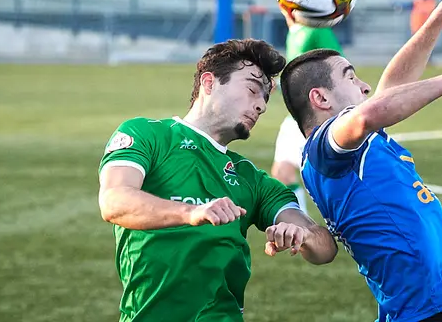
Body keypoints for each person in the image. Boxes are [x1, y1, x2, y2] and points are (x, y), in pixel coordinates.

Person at [279, 0, 442, 322]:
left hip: (418, 312)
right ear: (320, 98)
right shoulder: (324, 147)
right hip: (422, 314)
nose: (365, 86)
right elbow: (370, 112)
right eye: (351, 78)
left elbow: (391, 91)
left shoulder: (344, 147)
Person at [98, 39, 338, 322]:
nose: (261, 105)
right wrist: (191, 213)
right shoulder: (147, 135)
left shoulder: (251, 179)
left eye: (265, 97)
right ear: (209, 83)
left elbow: (325, 248)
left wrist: (303, 235)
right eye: (252, 89)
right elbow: (114, 201)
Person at [271, 3, 344, 215]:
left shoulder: (316, 31)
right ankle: (303, 227)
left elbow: (338, 69)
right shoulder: (295, 32)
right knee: (282, 173)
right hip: (297, 115)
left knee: (328, 180)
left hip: (315, 116)